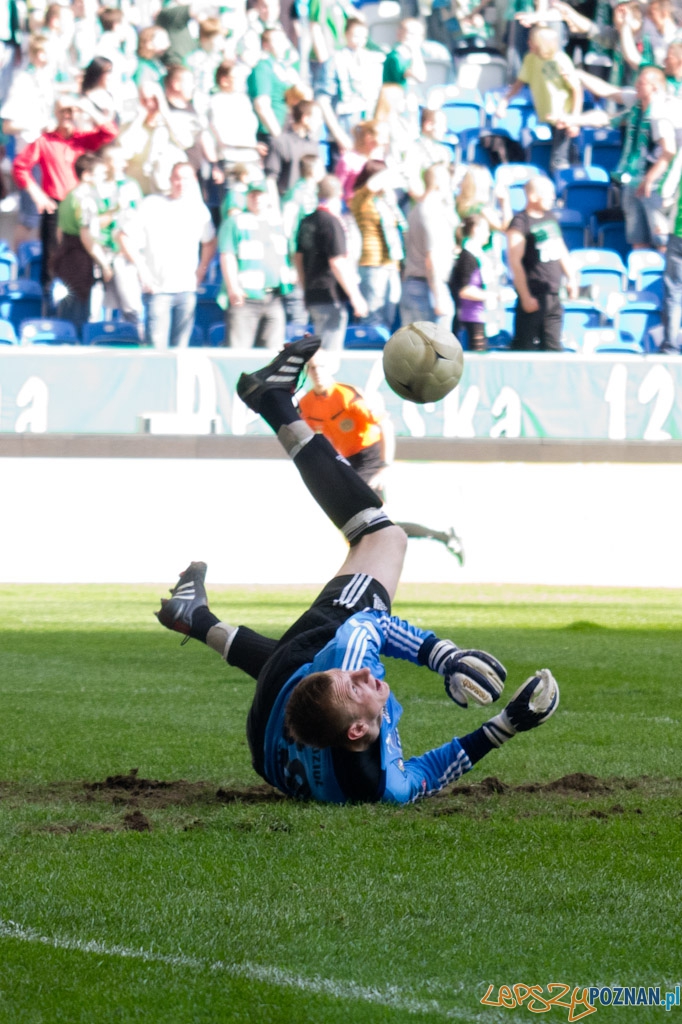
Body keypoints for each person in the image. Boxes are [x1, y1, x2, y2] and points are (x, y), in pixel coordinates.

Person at [155, 336, 560, 804]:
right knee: (303, 663)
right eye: (356, 684)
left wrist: (445, 657)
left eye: (352, 679)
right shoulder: (379, 787)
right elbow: (427, 773)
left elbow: (371, 625)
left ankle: (275, 404)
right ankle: (194, 617)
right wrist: (507, 723)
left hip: (287, 698)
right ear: (358, 731)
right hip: (265, 743)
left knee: (382, 536)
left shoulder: (347, 658)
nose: (366, 676)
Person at [299, 352, 465, 560]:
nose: (317, 373)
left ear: (331, 368)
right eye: (312, 368)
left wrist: (385, 466)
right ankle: (443, 537)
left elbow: (385, 424)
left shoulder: (347, 396)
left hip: (370, 457)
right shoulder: (307, 405)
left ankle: (369, 563)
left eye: (321, 367)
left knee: (361, 520)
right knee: (374, 526)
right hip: (347, 462)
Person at [12, 95, 118, 301]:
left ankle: (79, 308)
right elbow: (20, 166)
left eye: (72, 111)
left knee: (83, 258)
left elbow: (109, 132)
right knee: (53, 259)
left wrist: (85, 108)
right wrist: (37, 195)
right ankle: (52, 309)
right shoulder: (45, 142)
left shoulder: (82, 139)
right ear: (56, 114)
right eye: (64, 111)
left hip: (82, 207)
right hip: (56, 206)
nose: (68, 115)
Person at [117, 161, 216, 348]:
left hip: (186, 289)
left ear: (194, 180)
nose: (181, 183)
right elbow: (124, 237)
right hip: (158, 290)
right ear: (171, 180)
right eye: (177, 178)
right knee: (156, 350)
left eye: (186, 178)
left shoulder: (199, 210)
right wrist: (141, 269)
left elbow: (210, 242)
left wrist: (201, 271)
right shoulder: (151, 204)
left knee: (181, 349)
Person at [218, 180, 296, 348]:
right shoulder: (235, 222)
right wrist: (233, 288)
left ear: (268, 197)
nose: (257, 198)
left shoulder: (277, 224)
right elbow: (227, 255)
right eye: (253, 194)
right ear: (247, 197)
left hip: (274, 297)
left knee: (273, 356)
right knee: (240, 352)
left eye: (261, 194)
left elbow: (288, 255)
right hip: (246, 299)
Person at [497, 26, 582, 178]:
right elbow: (519, 84)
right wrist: (504, 101)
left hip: (563, 118)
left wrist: (574, 120)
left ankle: (563, 190)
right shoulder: (531, 59)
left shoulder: (560, 61)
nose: (528, 43)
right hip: (547, 116)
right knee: (562, 153)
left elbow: (577, 90)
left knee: (559, 159)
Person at [295, 174, 368, 348]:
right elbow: (338, 262)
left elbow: (298, 258)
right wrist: (356, 296)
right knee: (328, 355)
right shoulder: (332, 222)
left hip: (313, 294)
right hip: (330, 296)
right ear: (339, 195)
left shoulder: (307, 221)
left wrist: (305, 289)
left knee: (319, 350)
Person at [506, 176, 578, 352]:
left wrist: (572, 278)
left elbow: (561, 249)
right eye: (548, 194)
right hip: (533, 295)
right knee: (525, 346)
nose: (553, 197)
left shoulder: (550, 218)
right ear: (533, 196)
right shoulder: (520, 222)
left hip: (552, 295)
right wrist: (525, 296)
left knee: (553, 347)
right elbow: (515, 262)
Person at [51, 152, 113, 336]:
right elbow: (87, 237)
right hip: (79, 263)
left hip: (67, 259)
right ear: (86, 175)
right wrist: (105, 265)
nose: (103, 179)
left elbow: (59, 233)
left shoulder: (69, 196)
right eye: (101, 174)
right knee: (78, 317)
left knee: (70, 312)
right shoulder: (85, 200)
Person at [400, 162, 456, 331]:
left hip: (417, 287)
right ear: (439, 182)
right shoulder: (432, 212)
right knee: (434, 352)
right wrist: (439, 296)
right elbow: (432, 258)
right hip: (426, 290)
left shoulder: (417, 209)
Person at [449, 214, 497, 352]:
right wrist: (492, 295)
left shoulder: (477, 255)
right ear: (476, 229)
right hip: (472, 317)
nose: (488, 234)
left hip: (479, 316)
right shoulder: (468, 256)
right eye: (485, 229)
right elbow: (465, 290)